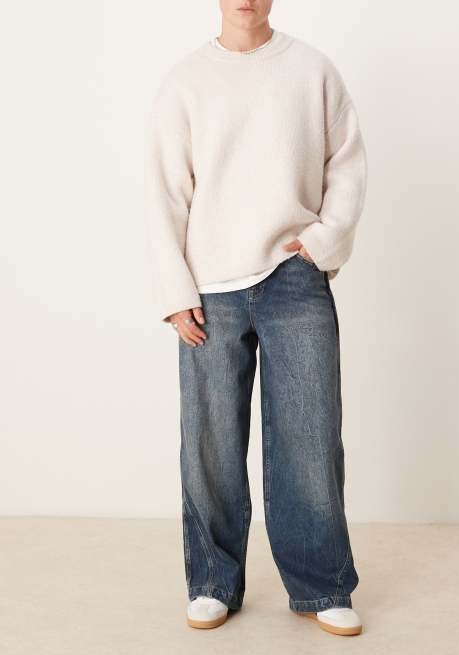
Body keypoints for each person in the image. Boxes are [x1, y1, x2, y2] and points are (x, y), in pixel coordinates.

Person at [145, 0, 368, 637]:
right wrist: (174, 289)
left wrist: (322, 242)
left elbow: (346, 163)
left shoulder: (312, 70)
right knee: (209, 441)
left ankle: (322, 584)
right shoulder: (186, 81)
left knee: (311, 436)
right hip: (209, 287)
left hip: (294, 274)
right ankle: (212, 581)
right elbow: (164, 191)